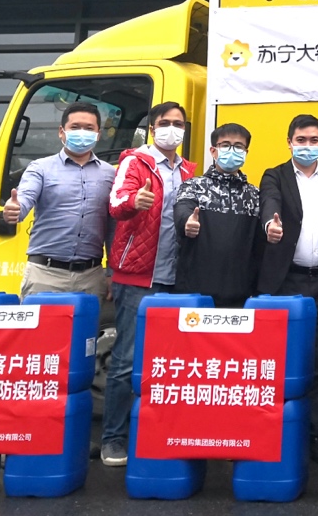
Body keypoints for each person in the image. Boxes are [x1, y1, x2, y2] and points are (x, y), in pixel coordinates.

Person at [101, 102, 196, 467]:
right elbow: (116, 203)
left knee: (168, 364)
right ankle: (113, 439)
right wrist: (133, 201)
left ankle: (157, 433)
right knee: (126, 360)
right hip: (138, 278)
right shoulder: (135, 162)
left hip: (176, 280)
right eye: (165, 123)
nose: (172, 128)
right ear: (153, 128)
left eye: (178, 123)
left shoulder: (188, 170)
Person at [258, 114, 318, 465]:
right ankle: (278, 432)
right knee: (281, 359)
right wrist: (270, 225)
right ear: (289, 142)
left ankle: (317, 435)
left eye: (313, 140)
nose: (307, 146)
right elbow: (270, 202)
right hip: (287, 281)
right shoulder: (275, 175)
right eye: (301, 140)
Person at [2, 101, 112, 301]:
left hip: (92, 277)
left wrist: (112, 272)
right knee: (41, 323)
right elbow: (25, 196)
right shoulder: (40, 168)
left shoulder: (110, 173)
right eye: (75, 127)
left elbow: (114, 226)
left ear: (98, 134)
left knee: (88, 324)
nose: (82, 133)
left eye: (89, 128)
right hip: (45, 275)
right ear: (62, 132)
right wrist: (16, 209)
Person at [171, 123, 260, 307]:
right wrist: (186, 222)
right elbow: (183, 208)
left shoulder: (254, 195)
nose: (232, 151)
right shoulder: (194, 186)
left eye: (238, 146)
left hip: (241, 294)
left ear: (246, 152)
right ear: (213, 151)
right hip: (195, 293)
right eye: (225, 145)